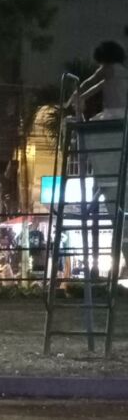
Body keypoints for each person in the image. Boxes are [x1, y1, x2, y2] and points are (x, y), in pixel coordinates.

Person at [66, 41, 128, 265]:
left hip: (114, 115)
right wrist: (80, 97)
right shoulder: (121, 71)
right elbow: (97, 87)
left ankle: (81, 145)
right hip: (123, 115)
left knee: (90, 130)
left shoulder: (107, 69)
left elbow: (91, 82)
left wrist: (75, 95)